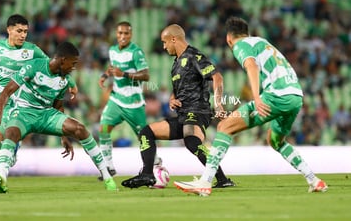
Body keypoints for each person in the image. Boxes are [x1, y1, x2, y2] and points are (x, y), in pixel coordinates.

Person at [175, 16, 328, 196]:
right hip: (295, 96)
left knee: (225, 127)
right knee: (275, 140)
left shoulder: (241, 45)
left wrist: (256, 97)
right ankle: (313, 179)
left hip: (276, 95)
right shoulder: (261, 42)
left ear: (228, 39)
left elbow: (251, 66)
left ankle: (205, 182)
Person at [0, 41, 116, 193]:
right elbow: (6, 91)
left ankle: (107, 178)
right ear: (63, 60)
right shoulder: (34, 66)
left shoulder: (63, 79)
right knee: (11, 133)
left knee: (80, 129)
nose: (74, 67)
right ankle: (2, 179)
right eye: (73, 63)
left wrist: (64, 136)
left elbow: (58, 106)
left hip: (46, 114)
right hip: (25, 113)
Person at [0, 14, 71, 191]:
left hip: (16, 103)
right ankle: (7, 157)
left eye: (25, 31)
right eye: (19, 31)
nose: (23, 35)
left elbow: (52, 65)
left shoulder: (32, 50)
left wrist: (70, 83)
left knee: (1, 137)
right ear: (9, 30)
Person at [121, 24, 235, 189]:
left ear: (174, 39)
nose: (164, 46)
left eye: (165, 42)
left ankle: (222, 179)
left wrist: (218, 105)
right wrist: (172, 99)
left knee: (191, 141)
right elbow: (178, 91)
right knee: (146, 132)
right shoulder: (175, 64)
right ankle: (147, 175)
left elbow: (217, 77)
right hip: (183, 114)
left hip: (197, 111)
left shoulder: (194, 56)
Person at [97, 21, 161, 180]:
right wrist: (106, 75)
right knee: (104, 129)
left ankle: (155, 162)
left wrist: (124, 74)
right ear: (116, 34)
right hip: (116, 99)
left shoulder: (136, 52)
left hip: (134, 103)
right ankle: (109, 167)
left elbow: (146, 75)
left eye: (126, 33)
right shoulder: (112, 50)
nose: (122, 36)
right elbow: (113, 67)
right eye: (120, 33)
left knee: (144, 137)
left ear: (130, 35)